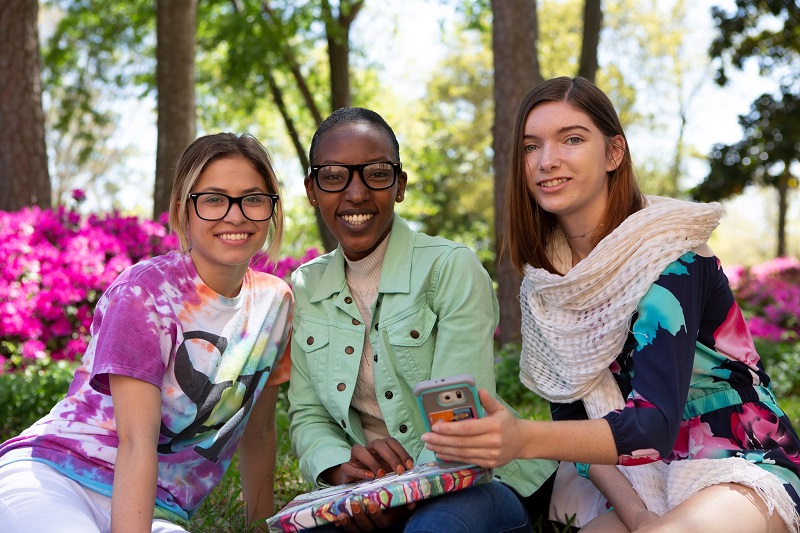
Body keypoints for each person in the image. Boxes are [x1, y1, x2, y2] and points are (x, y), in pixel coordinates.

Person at [421, 76, 800, 533]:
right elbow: (574, 419)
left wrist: (521, 439)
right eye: (530, 146)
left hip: (738, 462)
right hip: (639, 479)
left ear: (614, 153)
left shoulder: (670, 254)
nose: (547, 161)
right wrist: (638, 516)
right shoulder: (545, 285)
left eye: (572, 139)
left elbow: (653, 424)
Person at [0, 133, 293, 532]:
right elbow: (136, 443)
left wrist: (261, 528)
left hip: (158, 510)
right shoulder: (143, 292)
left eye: (253, 198)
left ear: (272, 209)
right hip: (55, 477)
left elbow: (258, 433)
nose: (236, 215)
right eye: (213, 199)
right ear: (182, 210)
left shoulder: (275, 304)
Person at [287, 106, 558, 532]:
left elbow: (461, 427)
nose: (355, 193)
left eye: (376, 173)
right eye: (335, 175)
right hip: (369, 494)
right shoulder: (307, 286)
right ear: (312, 189)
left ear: (399, 186)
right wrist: (341, 471)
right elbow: (307, 414)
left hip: (477, 482)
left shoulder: (450, 268)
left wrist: (403, 495)